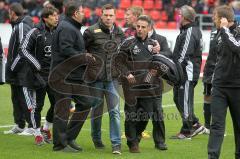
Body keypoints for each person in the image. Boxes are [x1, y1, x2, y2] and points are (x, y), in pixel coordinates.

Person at [50, 1, 95, 152]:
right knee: (62, 111)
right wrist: (84, 57)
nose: (84, 14)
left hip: (74, 76)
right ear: (76, 13)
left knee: (86, 102)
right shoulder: (67, 28)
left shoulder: (71, 27)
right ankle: (59, 145)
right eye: (82, 11)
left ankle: (68, 138)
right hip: (62, 76)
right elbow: (66, 49)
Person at [115, 15, 166, 153]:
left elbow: (158, 63)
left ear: (149, 28)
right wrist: (127, 74)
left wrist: (149, 77)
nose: (140, 29)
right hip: (131, 87)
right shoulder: (128, 43)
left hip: (148, 87)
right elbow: (118, 61)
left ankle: (136, 136)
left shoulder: (154, 44)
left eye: (143, 27)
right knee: (131, 115)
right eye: (138, 26)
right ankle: (132, 144)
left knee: (147, 115)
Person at [14, 6, 59, 145]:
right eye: (54, 15)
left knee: (57, 104)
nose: (57, 18)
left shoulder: (58, 31)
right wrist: (37, 65)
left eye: (57, 15)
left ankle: (46, 128)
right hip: (36, 76)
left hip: (53, 76)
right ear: (46, 18)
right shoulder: (35, 32)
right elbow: (23, 49)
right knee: (37, 106)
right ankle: (37, 133)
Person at [83, 4, 124, 154]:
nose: (108, 18)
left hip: (112, 78)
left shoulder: (120, 32)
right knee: (97, 111)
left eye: (111, 15)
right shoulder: (90, 31)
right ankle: (96, 138)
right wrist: (87, 57)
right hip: (96, 78)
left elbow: (123, 55)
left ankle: (116, 144)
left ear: (115, 16)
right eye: (106, 15)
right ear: (101, 15)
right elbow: (82, 51)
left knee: (115, 112)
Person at [208, 5, 240, 159]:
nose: (213, 19)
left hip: (237, 86)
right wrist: (208, 84)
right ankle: (212, 156)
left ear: (223, 19)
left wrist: (226, 30)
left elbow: (237, 49)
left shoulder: (238, 31)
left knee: (238, 126)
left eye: (215, 16)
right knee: (216, 125)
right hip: (219, 86)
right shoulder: (218, 34)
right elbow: (213, 59)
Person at [170, 5, 205, 139]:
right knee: (177, 98)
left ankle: (186, 131)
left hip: (186, 73)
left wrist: (174, 71)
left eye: (180, 15)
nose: (178, 17)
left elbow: (183, 56)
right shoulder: (189, 30)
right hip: (184, 72)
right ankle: (195, 124)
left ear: (184, 17)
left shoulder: (190, 31)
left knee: (184, 101)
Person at [4, 2, 33, 135]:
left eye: (9, 12)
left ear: (13, 13)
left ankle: (31, 126)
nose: (8, 15)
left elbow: (23, 50)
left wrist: (14, 67)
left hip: (22, 70)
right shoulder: (17, 25)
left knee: (23, 98)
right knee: (15, 97)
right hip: (16, 71)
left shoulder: (22, 26)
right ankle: (19, 124)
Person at [202, 26, 219, 135]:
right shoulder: (214, 30)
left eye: (216, 16)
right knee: (207, 95)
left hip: (222, 69)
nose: (213, 18)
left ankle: (217, 126)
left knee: (220, 98)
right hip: (210, 68)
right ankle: (207, 126)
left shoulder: (231, 31)